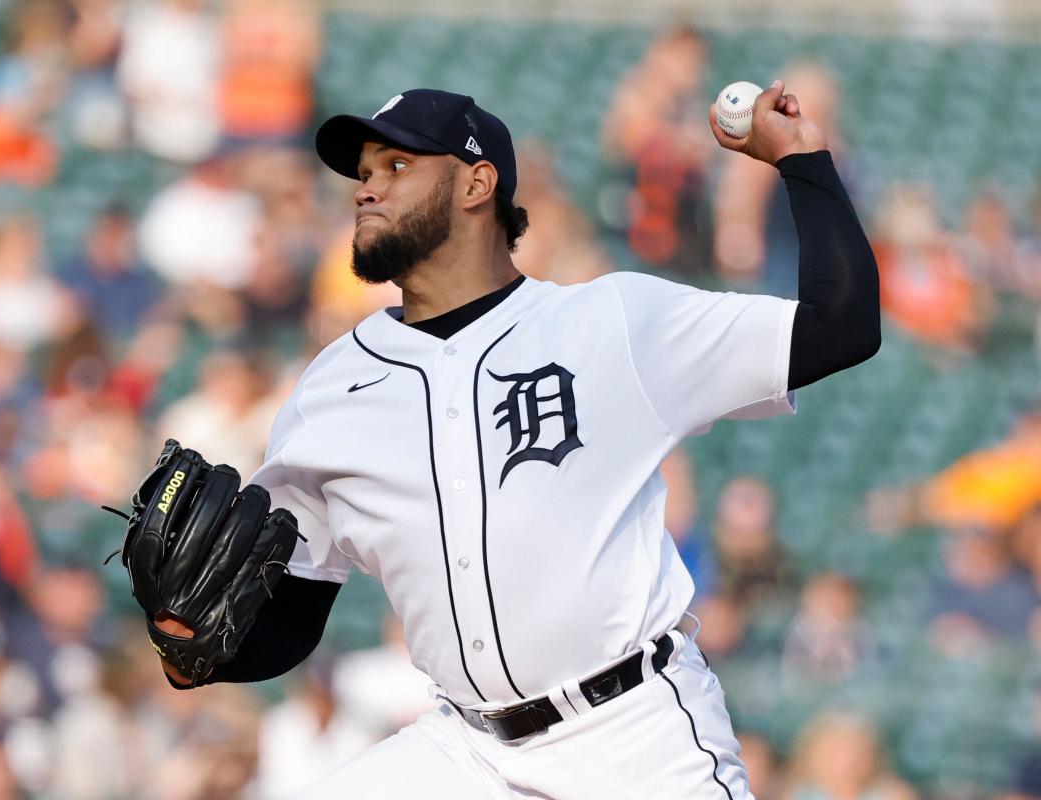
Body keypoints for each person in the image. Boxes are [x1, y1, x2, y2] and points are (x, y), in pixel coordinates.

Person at [150, 85, 880, 798]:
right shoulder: (328, 390)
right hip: (463, 751)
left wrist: (802, 160)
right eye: (363, 173)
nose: (367, 188)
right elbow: (294, 614)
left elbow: (842, 323)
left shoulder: (611, 321)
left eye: (396, 167)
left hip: (632, 737)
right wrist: (187, 649)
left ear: (477, 183)